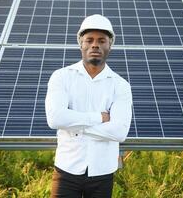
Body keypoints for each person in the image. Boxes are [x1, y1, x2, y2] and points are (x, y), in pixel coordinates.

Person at [45, 14, 132, 198]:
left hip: (103, 172)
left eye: (102, 40)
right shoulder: (61, 77)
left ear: (110, 45)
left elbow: (119, 132)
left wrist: (74, 127)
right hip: (66, 170)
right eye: (89, 40)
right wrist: (99, 118)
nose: (95, 45)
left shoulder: (120, 85)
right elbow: (55, 119)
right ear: (81, 43)